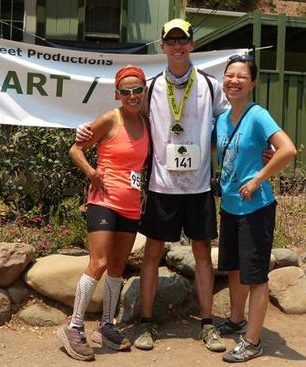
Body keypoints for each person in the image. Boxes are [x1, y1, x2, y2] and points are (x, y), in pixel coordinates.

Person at [77, 18, 229, 353]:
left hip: (200, 187)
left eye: (183, 41)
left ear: (192, 44)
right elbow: (125, 114)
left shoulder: (209, 84)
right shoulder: (152, 87)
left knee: (203, 253)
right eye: (171, 41)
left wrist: (247, 146)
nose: (177, 47)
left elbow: (229, 123)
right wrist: (87, 133)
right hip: (162, 187)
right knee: (152, 254)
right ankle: (145, 323)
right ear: (162, 46)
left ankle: (207, 324)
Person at [57, 65, 150, 361]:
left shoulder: (148, 123)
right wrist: (92, 173)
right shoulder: (111, 118)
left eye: (137, 90)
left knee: (118, 266)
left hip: (131, 204)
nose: (132, 95)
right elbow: (76, 149)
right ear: (117, 94)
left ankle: (107, 325)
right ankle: (73, 326)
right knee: (98, 262)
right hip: (104, 201)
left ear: (144, 91)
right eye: (126, 91)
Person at [213, 55, 296, 363]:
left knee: (256, 275)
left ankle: (253, 342)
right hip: (231, 206)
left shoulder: (258, 115)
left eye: (241, 76)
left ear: (252, 83)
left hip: (255, 208)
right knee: (234, 268)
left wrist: (259, 178)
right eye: (229, 75)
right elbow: (208, 148)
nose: (233, 81)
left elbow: (287, 149)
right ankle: (236, 320)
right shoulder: (221, 119)